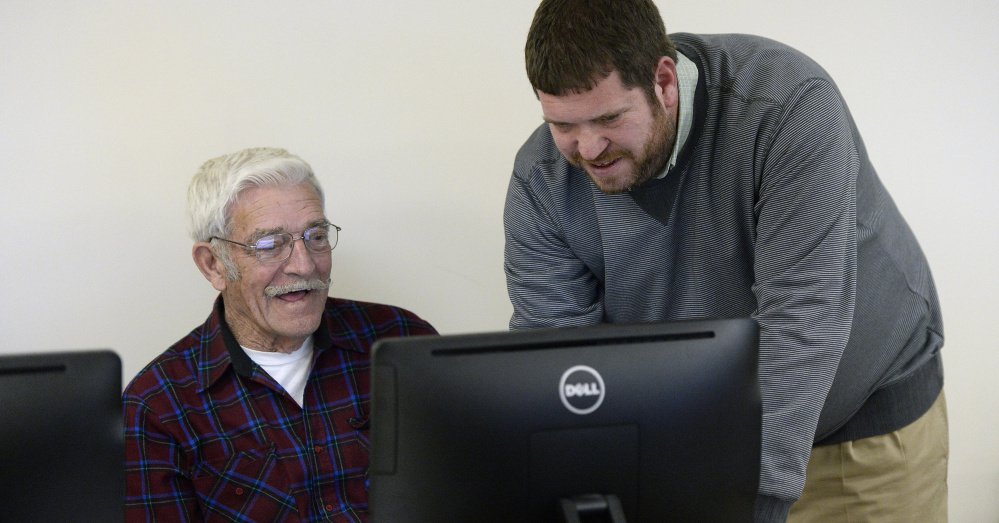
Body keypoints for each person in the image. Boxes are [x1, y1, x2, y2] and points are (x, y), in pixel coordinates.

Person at [504, 1, 946, 521]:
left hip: (856, 434)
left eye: (609, 119)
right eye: (562, 125)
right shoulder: (541, 180)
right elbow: (561, 361)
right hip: (685, 449)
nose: (588, 148)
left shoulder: (787, 107)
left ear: (664, 82)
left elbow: (803, 318)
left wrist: (744, 504)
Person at [123, 147, 437, 521]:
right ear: (213, 265)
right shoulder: (158, 407)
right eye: (270, 245)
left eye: (316, 236)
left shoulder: (401, 340)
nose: (304, 264)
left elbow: (469, 486)